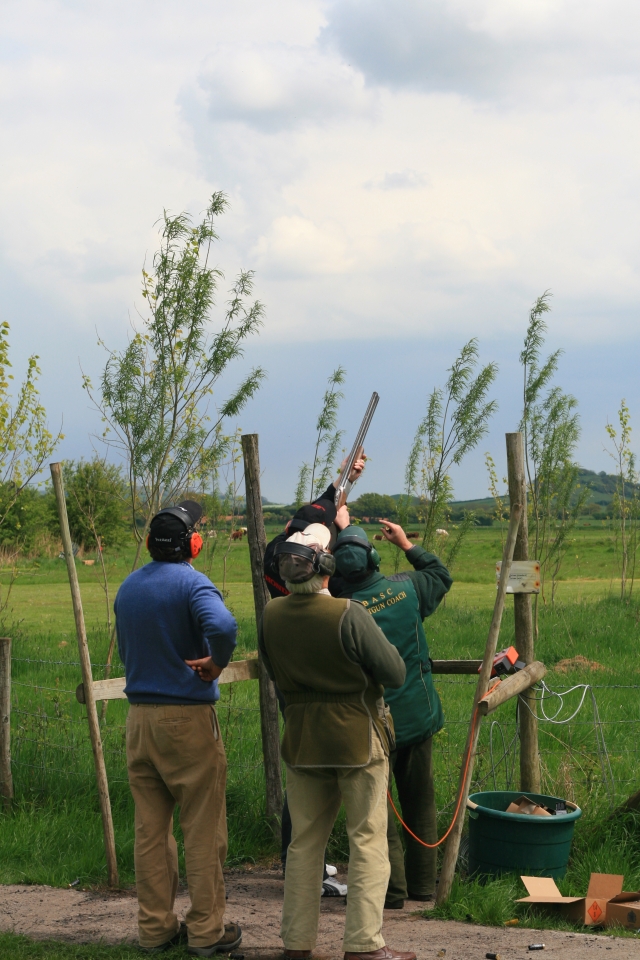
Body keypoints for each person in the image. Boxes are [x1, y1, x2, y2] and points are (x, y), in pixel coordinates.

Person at [258, 523, 416, 960]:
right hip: (356, 737)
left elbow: (274, 674)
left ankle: (296, 944)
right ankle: (364, 945)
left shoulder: (271, 615)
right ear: (327, 565)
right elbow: (394, 672)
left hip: (302, 738)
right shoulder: (349, 613)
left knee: (303, 843)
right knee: (367, 841)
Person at [115, 500, 242, 957]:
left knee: (150, 831)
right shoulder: (193, 583)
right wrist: (216, 662)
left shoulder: (129, 586)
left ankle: (155, 929)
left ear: (150, 543)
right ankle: (206, 931)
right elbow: (223, 626)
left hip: (139, 720)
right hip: (186, 720)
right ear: (194, 544)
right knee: (203, 829)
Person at [333, 519, 452, 910]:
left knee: (377, 811)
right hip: (418, 716)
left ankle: (392, 891)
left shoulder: (337, 608)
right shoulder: (408, 588)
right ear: (374, 557)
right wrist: (406, 544)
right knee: (420, 803)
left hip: (369, 725)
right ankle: (423, 886)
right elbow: (440, 574)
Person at [263, 457, 365, 600]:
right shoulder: (328, 576)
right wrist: (346, 529)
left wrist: (344, 477)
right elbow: (365, 581)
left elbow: (318, 507)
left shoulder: (273, 553)